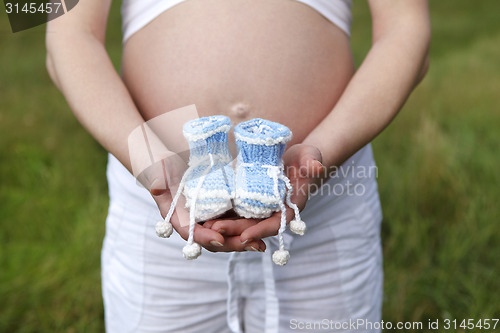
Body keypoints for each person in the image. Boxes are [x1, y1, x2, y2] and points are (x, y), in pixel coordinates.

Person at [46, 0, 430, 331]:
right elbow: (66, 36)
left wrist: (323, 150)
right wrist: (149, 160)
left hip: (324, 219)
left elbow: (406, 28)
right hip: (155, 219)